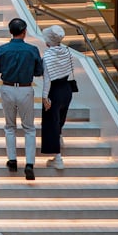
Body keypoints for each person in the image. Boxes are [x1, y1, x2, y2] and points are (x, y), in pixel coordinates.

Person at [0, 17, 44, 180]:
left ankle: (12, 160)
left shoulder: (1, 49)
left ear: (11, 31)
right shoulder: (32, 50)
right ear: (24, 31)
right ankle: (29, 164)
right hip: (26, 89)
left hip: (7, 87)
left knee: (10, 126)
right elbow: (39, 71)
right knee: (29, 128)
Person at [41, 24, 76, 170]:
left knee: (51, 123)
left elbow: (47, 79)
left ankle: (57, 157)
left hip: (54, 91)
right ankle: (60, 137)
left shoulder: (48, 56)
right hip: (66, 89)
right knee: (60, 118)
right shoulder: (68, 52)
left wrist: (44, 97)